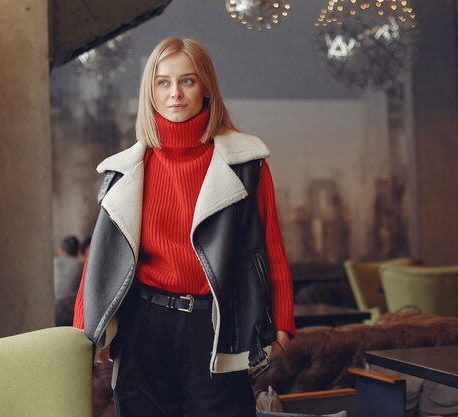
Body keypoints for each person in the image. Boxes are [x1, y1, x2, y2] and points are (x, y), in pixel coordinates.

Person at [73, 37, 295, 417]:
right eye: (163, 82)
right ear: (151, 92)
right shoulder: (123, 170)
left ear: (206, 87)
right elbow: (101, 261)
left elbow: (269, 249)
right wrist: (83, 332)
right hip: (143, 325)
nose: (175, 93)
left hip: (214, 324)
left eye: (188, 81)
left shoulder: (246, 162)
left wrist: (284, 321)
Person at [53, 235, 83, 326]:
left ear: (60, 250)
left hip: (53, 309)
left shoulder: (53, 262)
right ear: (78, 252)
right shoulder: (81, 265)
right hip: (72, 312)